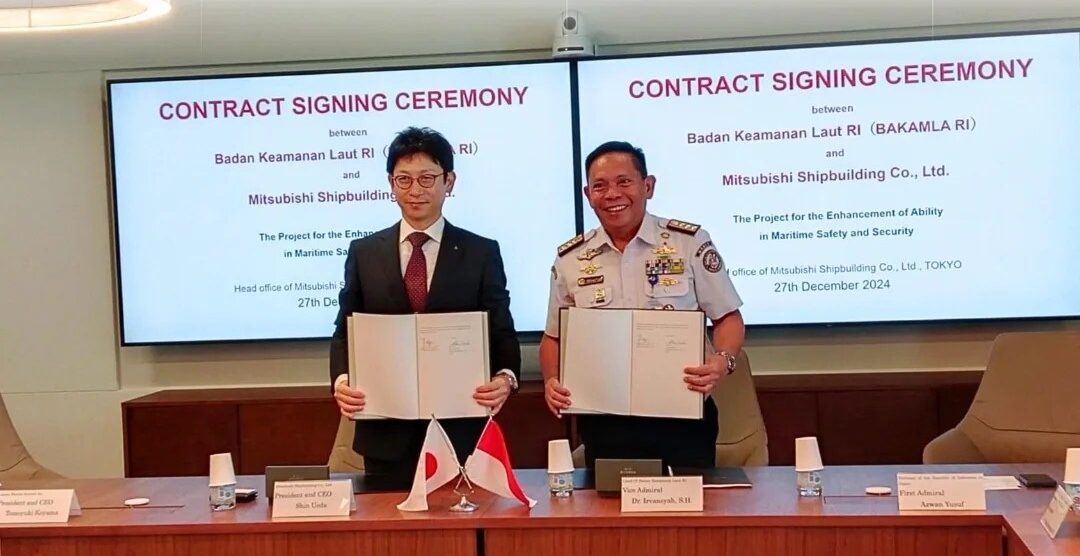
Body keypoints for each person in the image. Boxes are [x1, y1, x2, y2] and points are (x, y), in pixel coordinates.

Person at [329, 126, 521, 481]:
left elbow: (501, 330)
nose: (415, 190)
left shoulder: (481, 252)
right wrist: (341, 380)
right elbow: (345, 330)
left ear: (449, 181)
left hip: (460, 430)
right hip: (386, 433)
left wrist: (506, 378)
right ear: (391, 184)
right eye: (403, 179)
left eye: (427, 178)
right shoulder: (364, 253)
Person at [540, 140, 746, 468]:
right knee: (610, 501)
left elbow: (728, 317)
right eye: (600, 186)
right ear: (587, 194)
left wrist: (723, 361)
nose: (612, 194)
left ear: (647, 186)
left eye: (624, 182)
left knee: (686, 500)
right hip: (605, 419)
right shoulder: (571, 259)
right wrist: (551, 381)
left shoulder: (688, 243)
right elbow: (553, 337)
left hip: (682, 415)